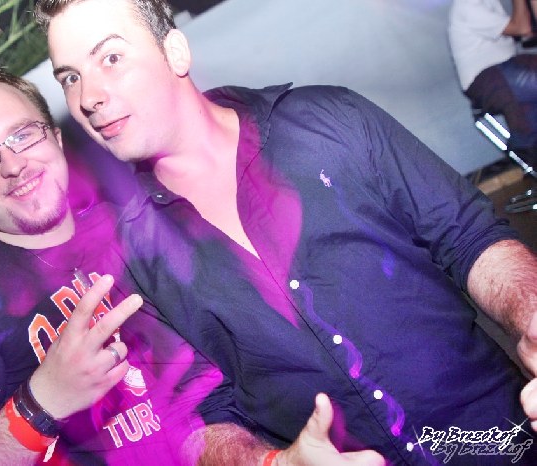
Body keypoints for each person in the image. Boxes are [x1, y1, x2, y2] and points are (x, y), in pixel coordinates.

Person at [36, 0, 537, 464]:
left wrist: (531, 315)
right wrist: (273, 462)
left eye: (111, 58)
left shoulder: (329, 122)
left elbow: (470, 237)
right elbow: (198, 417)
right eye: (70, 78)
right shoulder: (132, 258)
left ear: (175, 52)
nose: (88, 97)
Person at [0, 64, 379, 466]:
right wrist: (43, 401)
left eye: (22, 135)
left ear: (55, 137)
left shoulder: (138, 229)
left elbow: (201, 416)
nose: (12, 165)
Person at [449, 0, 537, 164]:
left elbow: (525, 30)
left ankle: (526, 143)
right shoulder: (467, 5)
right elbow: (521, 27)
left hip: (507, 68)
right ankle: (524, 145)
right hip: (484, 79)